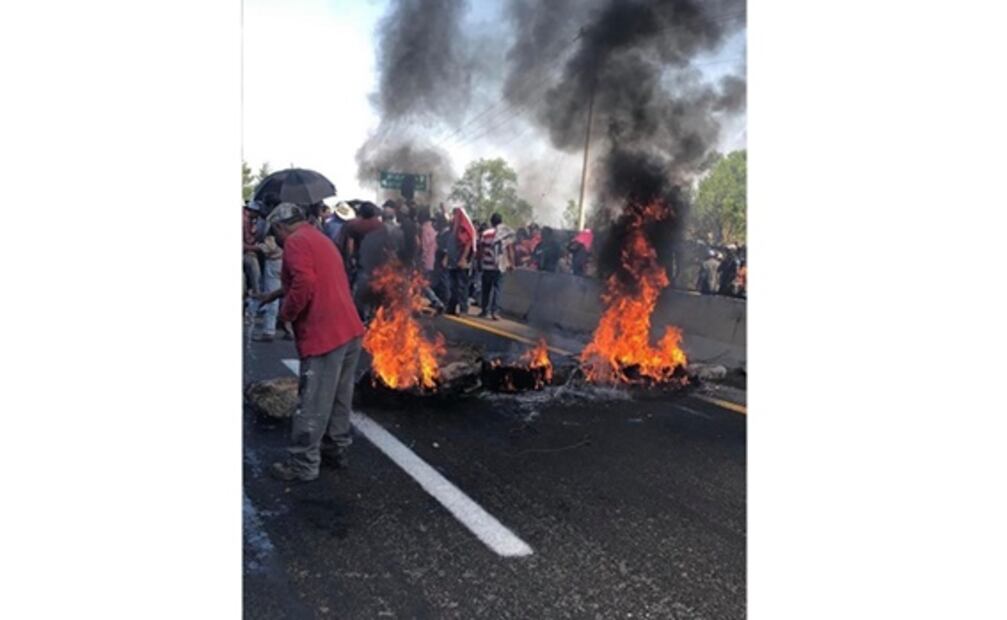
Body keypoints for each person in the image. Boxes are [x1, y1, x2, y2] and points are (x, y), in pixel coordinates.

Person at [257, 204, 365, 483]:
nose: (276, 239)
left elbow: (304, 283)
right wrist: (275, 295)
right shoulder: (318, 238)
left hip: (324, 332)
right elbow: (312, 277)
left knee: (313, 399)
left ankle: (303, 463)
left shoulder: (295, 242)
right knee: (340, 397)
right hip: (349, 329)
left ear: (281, 227)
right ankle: (336, 448)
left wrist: (286, 315)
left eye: (275, 233)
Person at [477, 213, 515, 320]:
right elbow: (509, 249)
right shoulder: (505, 234)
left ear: (491, 222)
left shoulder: (485, 234)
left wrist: (479, 262)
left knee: (486, 289)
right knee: (497, 289)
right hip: (499, 266)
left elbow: (480, 250)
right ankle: (495, 312)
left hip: (487, 265)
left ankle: (484, 310)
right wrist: (512, 263)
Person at [445, 206, 476, 316]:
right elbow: (450, 245)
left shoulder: (463, 230)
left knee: (461, 286)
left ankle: (463, 309)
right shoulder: (453, 228)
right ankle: (451, 307)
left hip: (461, 263)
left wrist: (463, 259)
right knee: (452, 286)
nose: (453, 217)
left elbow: (467, 244)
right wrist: (447, 258)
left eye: (455, 214)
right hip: (453, 262)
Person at [243, 202, 263, 320]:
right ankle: (256, 295)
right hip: (246, 253)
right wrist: (256, 248)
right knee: (255, 273)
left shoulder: (250, 220)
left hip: (248, 250)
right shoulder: (244, 220)